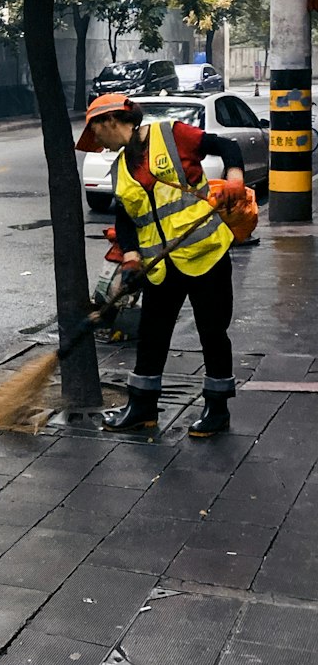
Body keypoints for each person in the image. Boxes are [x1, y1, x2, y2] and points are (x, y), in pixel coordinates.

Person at [76, 91, 246, 437]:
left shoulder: (171, 135)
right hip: (160, 267)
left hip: (205, 255)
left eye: (97, 132)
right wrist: (131, 258)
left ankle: (217, 408)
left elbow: (227, 148)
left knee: (212, 333)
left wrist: (235, 178)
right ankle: (142, 408)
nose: (97, 141)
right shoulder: (120, 167)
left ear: (111, 122)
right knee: (152, 336)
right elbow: (125, 219)